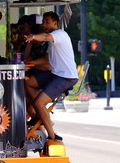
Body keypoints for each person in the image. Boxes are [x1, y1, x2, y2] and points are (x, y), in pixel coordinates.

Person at [24, 11, 79, 141]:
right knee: (28, 82)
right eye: (43, 22)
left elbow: (44, 37)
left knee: (39, 102)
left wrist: (32, 37)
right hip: (55, 74)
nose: (44, 24)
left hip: (66, 77)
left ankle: (53, 136)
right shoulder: (52, 41)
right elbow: (47, 59)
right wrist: (29, 62)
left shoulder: (59, 35)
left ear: (55, 23)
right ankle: (39, 115)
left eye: (47, 21)